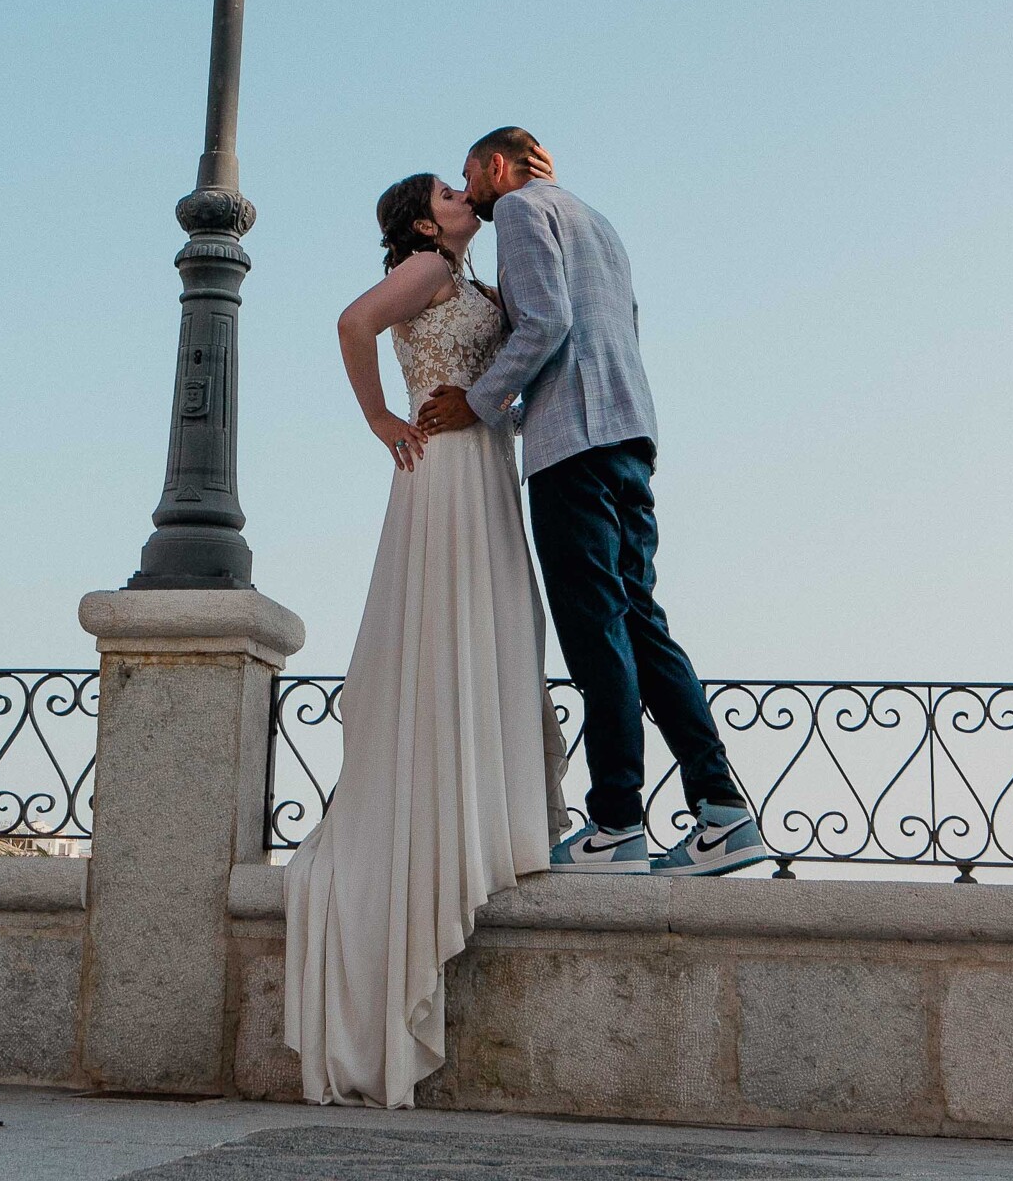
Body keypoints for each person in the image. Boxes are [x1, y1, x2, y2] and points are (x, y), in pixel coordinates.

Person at [283, 164, 567, 1109]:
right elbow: (351, 322)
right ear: (418, 221)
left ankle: (480, 809)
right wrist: (377, 416)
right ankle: (452, 822)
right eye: (446, 192)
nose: (460, 198)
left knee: (491, 619)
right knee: (450, 623)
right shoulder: (429, 269)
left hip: (477, 460)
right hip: (441, 465)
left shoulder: (470, 279)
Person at [417, 127, 766, 879]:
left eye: (469, 173)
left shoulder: (518, 211)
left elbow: (546, 322)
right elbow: (615, 328)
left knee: (595, 629)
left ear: (497, 166)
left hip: (572, 449)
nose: (467, 188)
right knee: (641, 622)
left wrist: (479, 402)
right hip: (627, 435)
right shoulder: (595, 220)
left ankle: (614, 822)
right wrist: (517, 412)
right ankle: (722, 811)